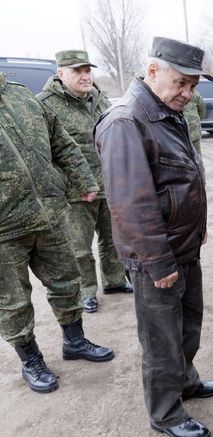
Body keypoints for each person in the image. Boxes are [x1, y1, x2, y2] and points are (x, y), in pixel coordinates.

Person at [94, 37, 213, 437]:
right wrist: (160, 263)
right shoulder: (126, 121)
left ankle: (184, 382)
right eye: (181, 82)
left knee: (187, 329)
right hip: (157, 260)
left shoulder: (165, 112)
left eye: (194, 85)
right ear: (153, 72)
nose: (188, 93)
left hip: (183, 249)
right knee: (162, 341)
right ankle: (165, 413)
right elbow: (132, 205)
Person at [0, 72, 115, 394]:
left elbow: (61, 142)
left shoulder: (22, 96)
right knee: (13, 303)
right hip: (4, 230)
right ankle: (30, 359)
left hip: (49, 214)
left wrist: (83, 181)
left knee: (67, 281)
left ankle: (75, 341)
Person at [37, 49, 132, 314]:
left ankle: (114, 281)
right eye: (77, 71)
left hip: (109, 184)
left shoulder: (99, 98)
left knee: (112, 239)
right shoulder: (45, 104)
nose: (84, 76)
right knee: (79, 247)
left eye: (87, 70)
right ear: (60, 74)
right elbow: (47, 152)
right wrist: (67, 185)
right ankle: (86, 292)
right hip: (74, 192)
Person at [183, 89, 206, 154]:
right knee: (196, 154)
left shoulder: (176, 92)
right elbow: (202, 109)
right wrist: (197, 119)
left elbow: (202, 110)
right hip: (193, 129)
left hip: (188, 129)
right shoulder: (195, 93)